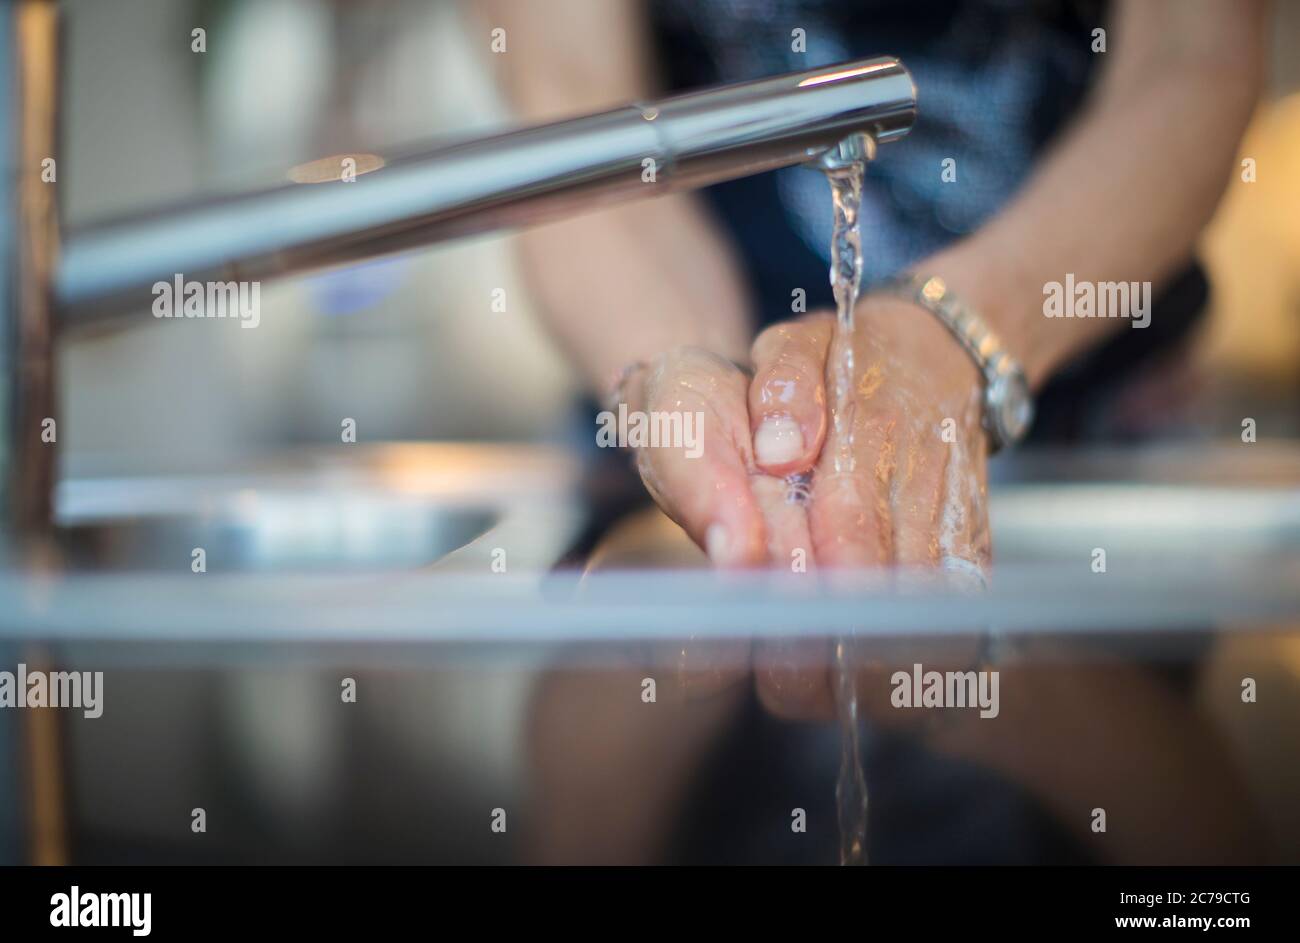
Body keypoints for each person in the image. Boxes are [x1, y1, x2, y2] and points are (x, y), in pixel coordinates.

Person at [479, 0, 1269, 862]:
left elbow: (1192, 57)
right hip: (681, 461)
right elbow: (574, 106)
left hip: (1091, 443)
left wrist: (964, 341)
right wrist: (678, 375)